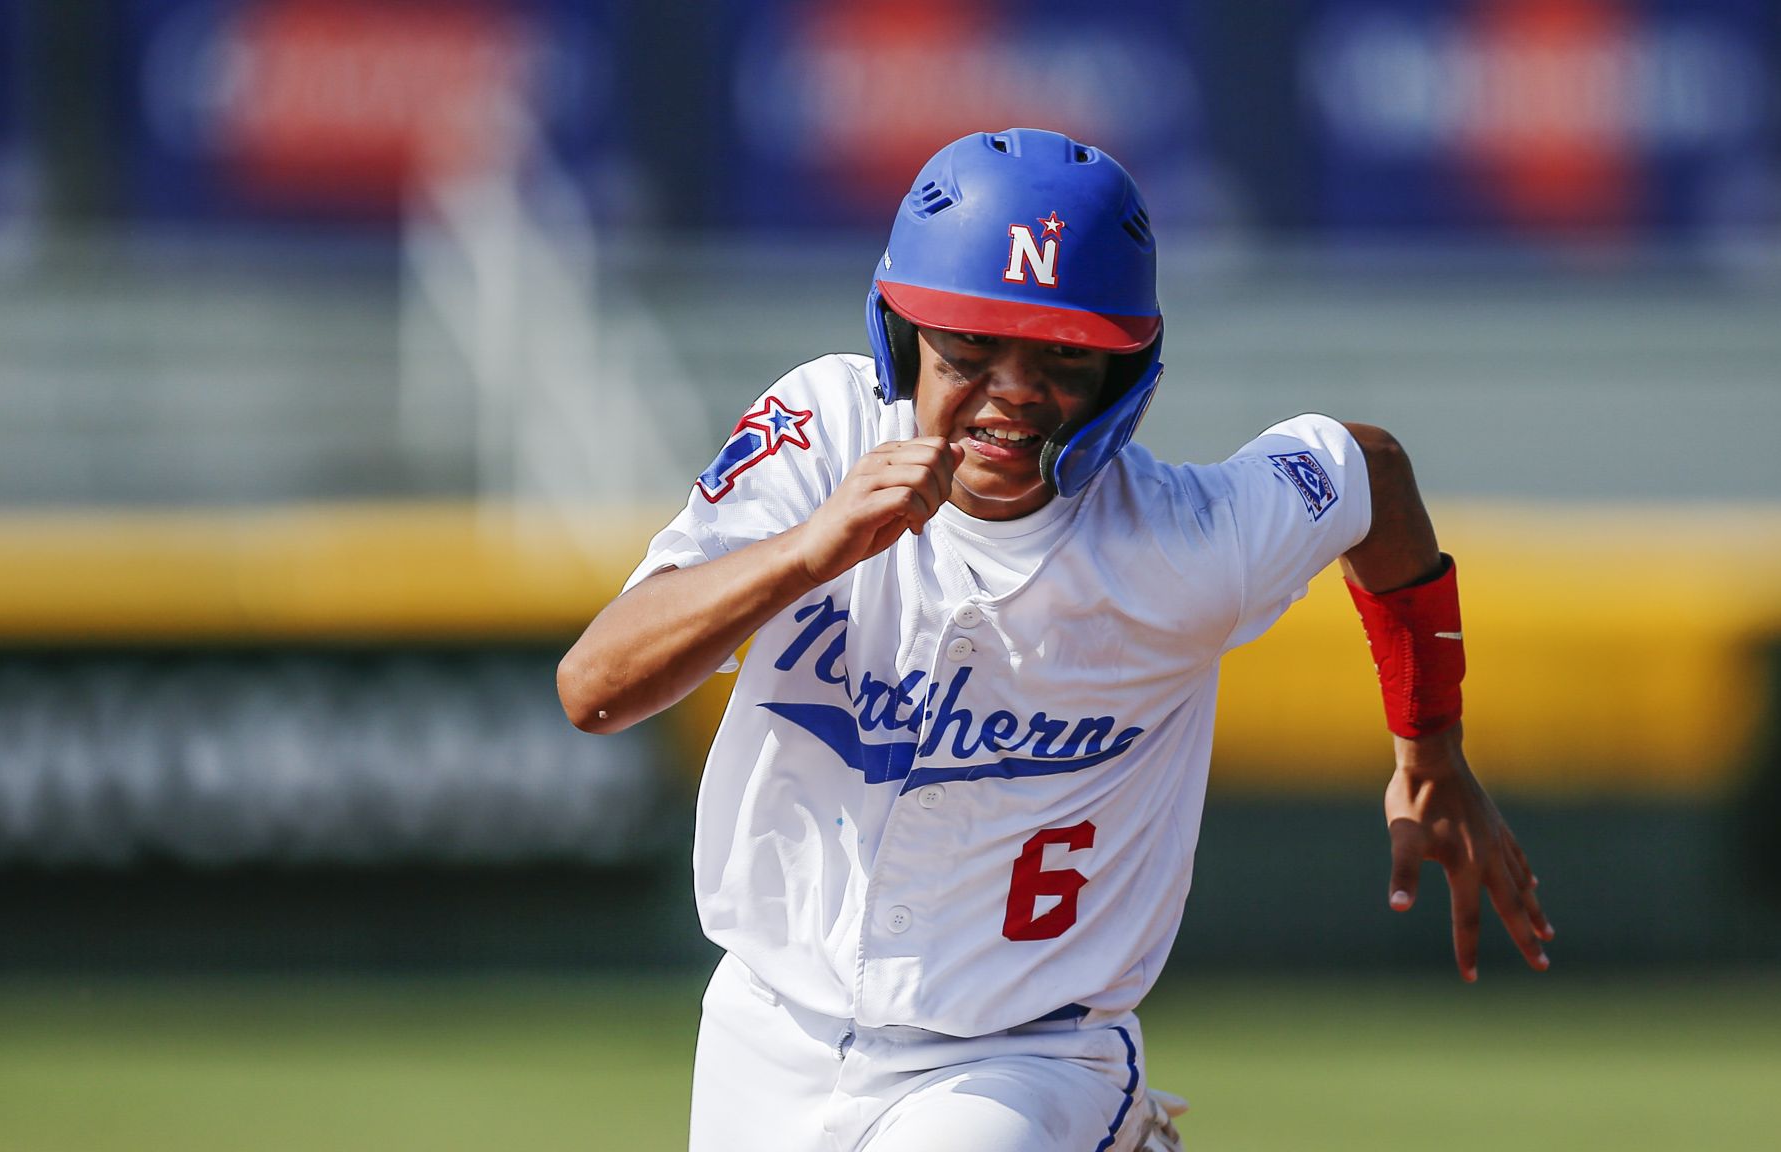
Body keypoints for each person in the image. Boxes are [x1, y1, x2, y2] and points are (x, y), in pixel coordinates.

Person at [558, 127, 1553, 1152]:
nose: (1013, 390)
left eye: (1063, 357)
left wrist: (1428, 741)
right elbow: (594, 686)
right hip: (764, 1032)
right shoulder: (821, 434)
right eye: (969, 347)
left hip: (1022, 1060)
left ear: (1123, 377)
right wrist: (805, 552)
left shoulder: (1185, 544)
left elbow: (1370, 475)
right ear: (901, 340)